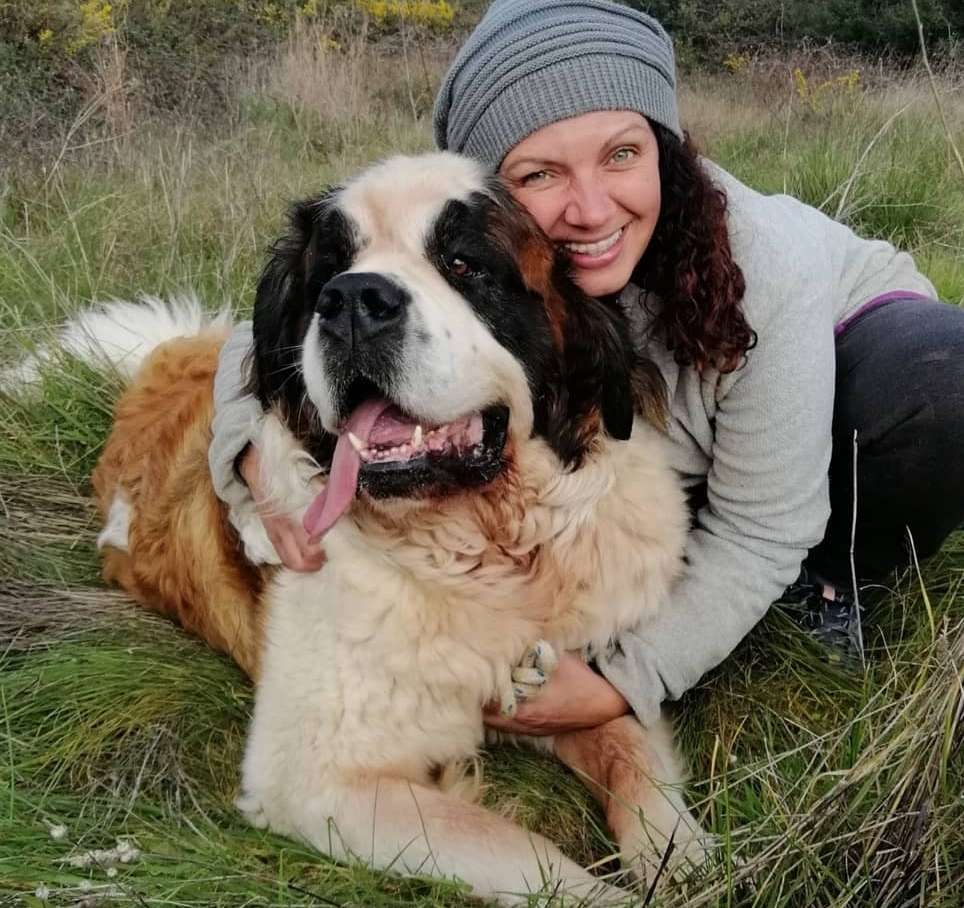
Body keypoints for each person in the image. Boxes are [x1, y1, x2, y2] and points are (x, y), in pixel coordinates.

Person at [208, 0, 964, 734]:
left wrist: (622, 681)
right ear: (490, 188)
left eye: (622, 154)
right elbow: (279, 319)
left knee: (939, 386)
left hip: (855, 353)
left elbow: (764, 528)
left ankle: (835, 580)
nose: (593, 210)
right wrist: (248, 457)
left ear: (663, 149)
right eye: (540, 174)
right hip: (674, 454)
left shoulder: (771, 270)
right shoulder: (488, 247)